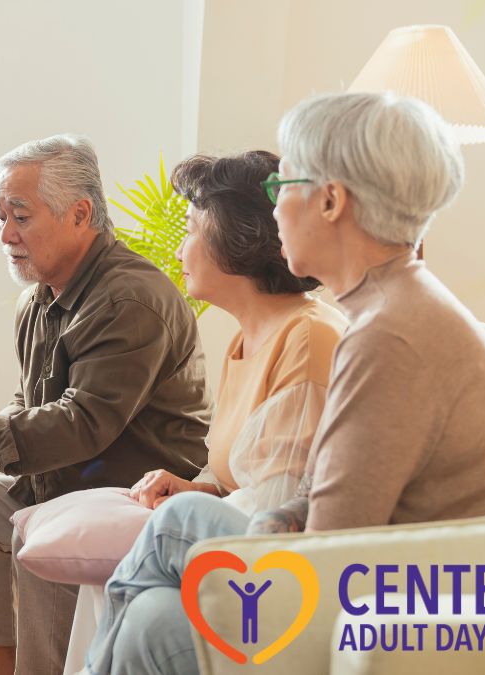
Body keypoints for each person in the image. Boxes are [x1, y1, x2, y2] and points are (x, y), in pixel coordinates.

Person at [84, 92, 485, 675]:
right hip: (399, 586)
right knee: (153, 613)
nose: (273, 211)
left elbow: (331, 554)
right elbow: (330, 503)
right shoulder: (396, 307)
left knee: (171, 539)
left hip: (413, 613)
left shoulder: (389, 336)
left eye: (284, 188)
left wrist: (253, 523)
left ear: (331, 201)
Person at [0, 134, 213, 675]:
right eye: (0, 217)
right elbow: (32, 404)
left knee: (41, 531)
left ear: (79, 214)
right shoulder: (41, 300)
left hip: (129, 499)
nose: (6, 235)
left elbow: (81, 424)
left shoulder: (128, 299)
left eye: (20, 217)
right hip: (64, 488)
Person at [79, 150, 345, 673]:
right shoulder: (245, 340)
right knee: (149, 615)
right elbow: (249, 475)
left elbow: (285, 507)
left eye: (192, 229)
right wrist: (200, 489)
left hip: (292, 569)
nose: (180, 247)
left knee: (174, 522)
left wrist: (191, 507)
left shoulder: (309, 337)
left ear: (235, 240)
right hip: (253, 545)